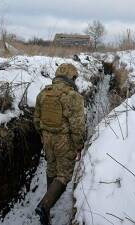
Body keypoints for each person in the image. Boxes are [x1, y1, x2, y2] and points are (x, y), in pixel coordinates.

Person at [33, 63, 85, 225]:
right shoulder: (73, 96)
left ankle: (46, 214)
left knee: (51, 169)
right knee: (64, 175)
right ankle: (44, 206)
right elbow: (77, 126)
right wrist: (79, 146)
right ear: (71, 77)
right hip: (64, 141)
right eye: (75, 77)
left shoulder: (43, 93)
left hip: (47, 139)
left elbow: (36, 119)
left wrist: (43, 135)